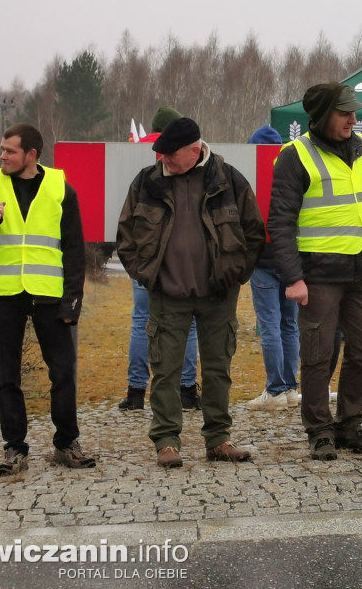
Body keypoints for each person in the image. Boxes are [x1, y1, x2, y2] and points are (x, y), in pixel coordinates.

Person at [117, 117, 264, 468]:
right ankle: (167, 441)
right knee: (165, 371)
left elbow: (253, 233)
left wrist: (235, 275)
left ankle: (218, 439)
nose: (164, 159)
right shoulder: (147, 182)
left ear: (195, 150)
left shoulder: (229, 180)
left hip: (218, 296)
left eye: (170, 153)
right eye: (162, 153)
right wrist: (147, 276)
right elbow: (126, 237)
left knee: (218, 369)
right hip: (167, 296)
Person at [0, 122, 96, 476]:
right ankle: (14, 449)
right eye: (2, 150)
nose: (2, 156)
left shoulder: (60, 187)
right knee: (7, 376)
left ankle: (67, 443)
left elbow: (75, 251)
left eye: (9, 151)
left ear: (31, 155)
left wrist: (72, 302)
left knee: (63, 373)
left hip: (49, 296)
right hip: (5, 297)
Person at [268, 84, 362, 461]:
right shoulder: (295, 156)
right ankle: (319, 430)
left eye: (354, 113)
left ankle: (349, 424)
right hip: (318, 273)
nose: (354, 119)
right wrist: (292, 277)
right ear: (322, 116)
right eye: (345, 113)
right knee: (319, 354)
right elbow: (281, 221)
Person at [118, 106, 201, 412]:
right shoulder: (185, 153)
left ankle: (136, 391)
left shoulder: (132, 149)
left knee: (142, 322)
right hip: (180, 255)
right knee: (189, 324)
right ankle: (187, 390)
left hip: (144, 251)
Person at [246, 125, 302, 411]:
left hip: (263, 261)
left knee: (270, 327)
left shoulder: (250, 174)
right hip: (290, 260)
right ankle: (291, 388)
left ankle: (276, 390)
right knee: (289, 325)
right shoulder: (292, 169)